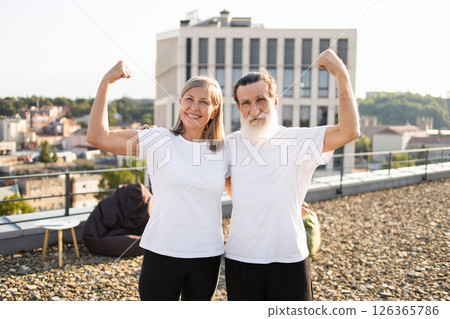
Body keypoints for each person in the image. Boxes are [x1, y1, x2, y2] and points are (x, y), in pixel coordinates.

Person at [224, 48, 360, 301]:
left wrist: (341, 74)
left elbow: (349, 131)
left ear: (275, 102)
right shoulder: (230, 144)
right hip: (241, 258)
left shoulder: (298, 140)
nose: (255, 110)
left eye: (261, 100)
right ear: (239, 108)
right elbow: (218, 174)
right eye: (246, 103)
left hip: (289, 258)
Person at [87, 61, 229, 301]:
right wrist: (106, 82)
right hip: (162, 252)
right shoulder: (158, 140)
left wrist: (286, 205)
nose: (194, 107)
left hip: (207, 255)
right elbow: (97, 136)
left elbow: (243, 191)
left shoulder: (225, 150)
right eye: (189, 99)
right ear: (180, 103)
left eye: (204, 101)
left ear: (214, 111)